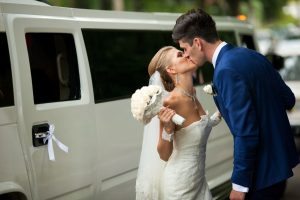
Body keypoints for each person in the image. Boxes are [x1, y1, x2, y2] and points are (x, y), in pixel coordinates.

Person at [172, 8, 300, 200]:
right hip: (280, 167)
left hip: (259, 174)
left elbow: (246, 132)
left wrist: (239, 185)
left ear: (197, 42)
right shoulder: (253, 55)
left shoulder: (225, 71)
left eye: (185, 48)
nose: (185, 54)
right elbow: (288, 99)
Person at [135, 46, 221, 200]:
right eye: (180, 54)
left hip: (199, 181)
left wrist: (222, 110)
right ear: (172, 69)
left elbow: (202, 125)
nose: (187, 55)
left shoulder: (192, 94)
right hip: (180, 186)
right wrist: (167, 128)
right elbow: (164, 154)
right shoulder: (171, 102)